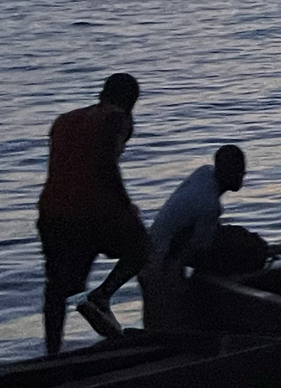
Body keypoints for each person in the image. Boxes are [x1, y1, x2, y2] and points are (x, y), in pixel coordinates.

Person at [36, 73, 149, 355]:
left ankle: (52, 352)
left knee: (58, 287)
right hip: (88, 214)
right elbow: (105, 165)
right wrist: (126, 205)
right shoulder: (117, 119)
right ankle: (102, 295)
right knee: (142, 247)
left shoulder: (64, 120)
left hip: (51, 213)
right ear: (131, 101)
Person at [141, 143, 247, 330]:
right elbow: (200, 250)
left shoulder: (204, 173)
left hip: (149, 254)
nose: (243, 177)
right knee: (167, 326)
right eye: (240, 172)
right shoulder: (209, 205)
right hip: (162, 266)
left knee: (156, 323)